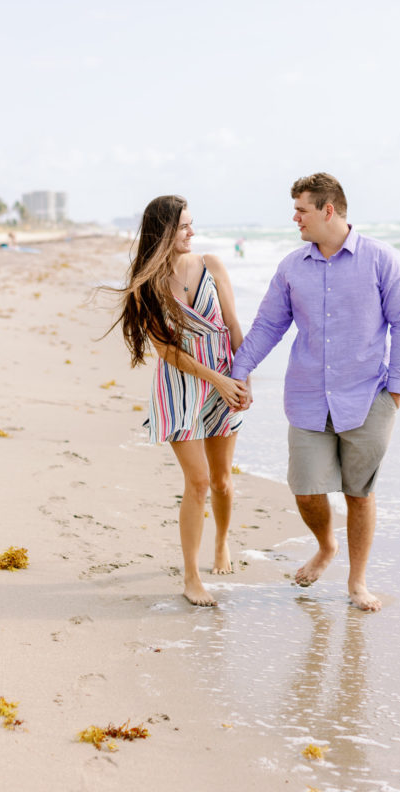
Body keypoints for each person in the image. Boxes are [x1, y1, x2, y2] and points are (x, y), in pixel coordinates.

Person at [231, 173, 400, 612]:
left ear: (327, 210)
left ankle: (357, 582)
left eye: (302, 210)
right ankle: (324, 545)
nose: (295, 218)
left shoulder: (381, 259)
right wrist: (239, 372)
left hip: (369, 396)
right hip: (308, 396)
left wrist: (397, 390)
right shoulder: (292, 267)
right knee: (305, 488)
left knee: (359, 493)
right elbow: (268, 326)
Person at [113, 195, 250, 607]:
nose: (193, 232)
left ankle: (222, 543)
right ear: (165, 232)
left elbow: (232, 324)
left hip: (225, 378)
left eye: (192, 224)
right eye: (185, 226)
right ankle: (191, 577)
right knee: (198, 481)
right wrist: (218, 381)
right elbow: (168, 352)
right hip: (180, 385)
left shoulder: (211, 265)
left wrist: (241, 379)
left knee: (223, 480)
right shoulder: (146, 286)